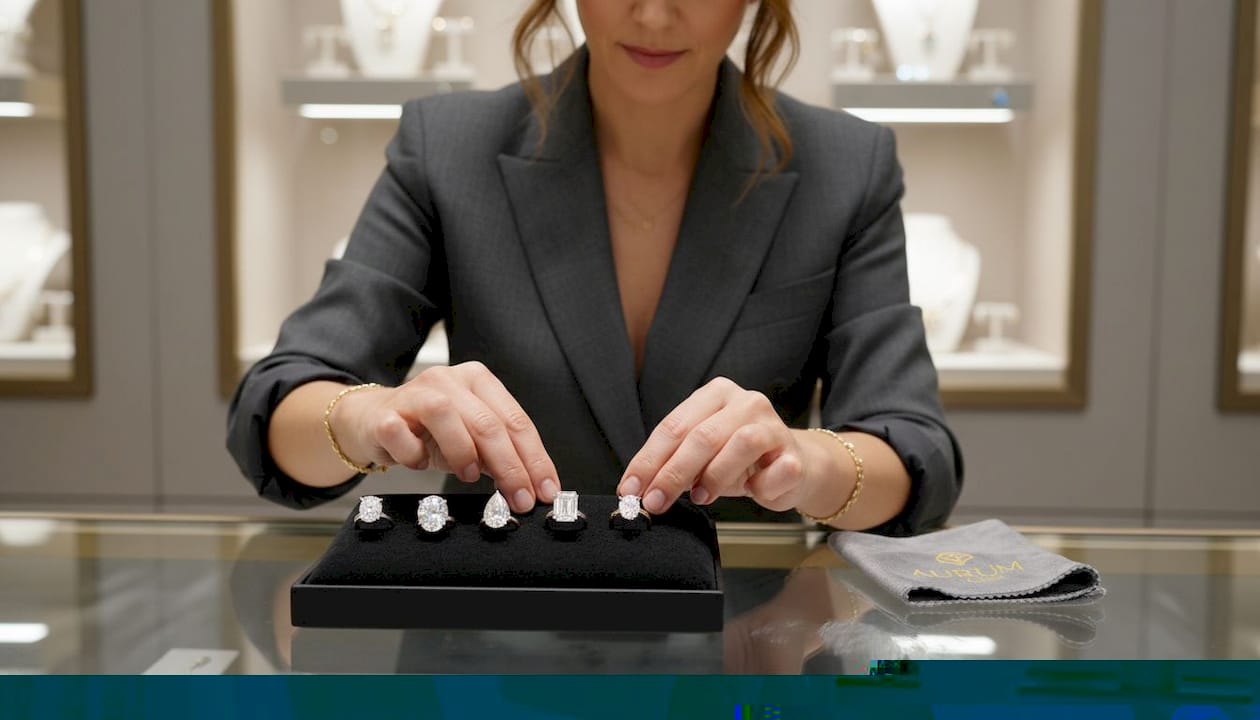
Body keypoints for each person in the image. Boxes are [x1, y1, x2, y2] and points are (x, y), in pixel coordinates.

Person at [227, 0, 963, 535]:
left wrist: (805, 462)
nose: (652, 13)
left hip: (744, 646)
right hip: (495, 642)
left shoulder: (846, 167)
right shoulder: (447, 147)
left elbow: (914, 454)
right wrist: (369, 416)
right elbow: (277, 412)